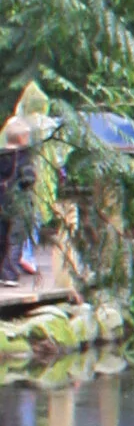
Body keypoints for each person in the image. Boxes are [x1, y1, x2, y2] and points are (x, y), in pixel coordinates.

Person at [0, 81, 49, 284]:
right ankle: (10, 272)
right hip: (19, 202)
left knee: (2, 236)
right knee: (16, 237)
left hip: (2, 199)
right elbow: (28, 178)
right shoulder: (24, 156)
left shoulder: (3, 152)